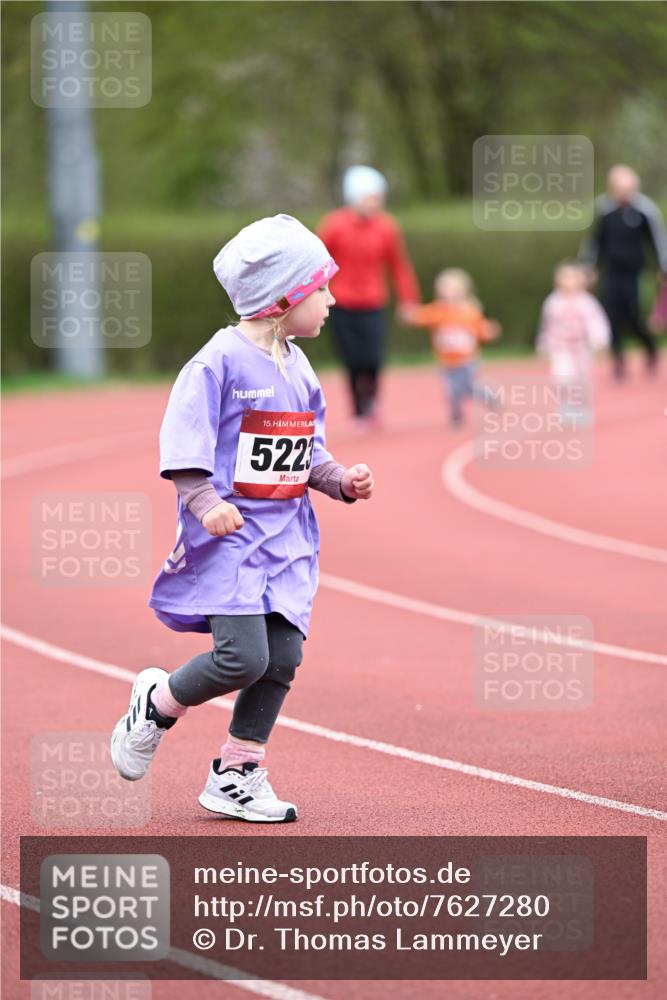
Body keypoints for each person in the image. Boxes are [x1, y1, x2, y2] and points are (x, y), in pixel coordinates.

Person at [110, 214, 375, 823]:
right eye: (321, 289)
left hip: (288, 539)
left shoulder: (296, 365)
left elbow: (307, 451)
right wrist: (207, 504)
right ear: (281, 299)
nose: (333, 301)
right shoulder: (215, 365)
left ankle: (237, 771)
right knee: (242, 658)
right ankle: (156, 703)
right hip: (228, 539)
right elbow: (183, 451)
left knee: (282, 659)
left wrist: (340, 480)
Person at [318, 165, 420, 428]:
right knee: (352, 358)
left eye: (378, 197)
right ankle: (359, 409)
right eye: (370, 197)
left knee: (373, 357)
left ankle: (372, 399)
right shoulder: (334, 224)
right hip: (341, 302)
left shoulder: (387, 227)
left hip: (374, 301)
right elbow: (316, 263)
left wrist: (409, 301)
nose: (376, 203)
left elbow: (399, 266)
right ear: (355, 197)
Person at [579, 164, 667, 379]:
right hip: (611, 271)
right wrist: (587, 267)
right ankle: (618, 361)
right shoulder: (603, 209)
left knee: (634, 315)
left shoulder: (645, 210)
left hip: (636, 273)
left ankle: (650, 348)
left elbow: (658, 241)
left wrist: (663, 267)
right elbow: (594, 242)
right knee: (611, 315)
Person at [400, 268, 500, 427]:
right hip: (447, 362)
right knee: (451, 390)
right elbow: (421, 316)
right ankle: (456, 415)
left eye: (453, 290)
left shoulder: (470, 312)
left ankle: (488, 395)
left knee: (467, 388)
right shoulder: (437, 311)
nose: (448, 294)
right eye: (445, 290)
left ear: (463, 292)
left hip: (467, 361)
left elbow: (481, 329)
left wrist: (490, 331)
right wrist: (410, 316)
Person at [536, 261, 610, 426]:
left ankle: (581, 409)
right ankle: (565, 407)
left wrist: (599, 340)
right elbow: (546, 325)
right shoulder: (552, 302)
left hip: (581, 349)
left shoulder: (587, 302)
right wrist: (543, 345)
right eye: (565, 277)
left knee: (582, 380)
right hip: (560, 349)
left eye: (572, 277)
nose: (569, 281)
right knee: (562, 377)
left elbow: (596, 322)